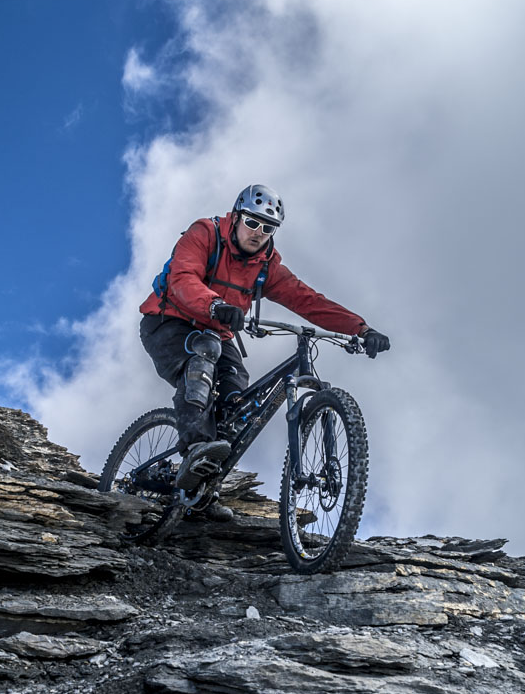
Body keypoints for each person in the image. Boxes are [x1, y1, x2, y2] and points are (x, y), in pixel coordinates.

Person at [139, 184, 389, 506]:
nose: (258, 233)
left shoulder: (267, 267)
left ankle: (202, 494)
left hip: (217, 333)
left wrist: (361, 328)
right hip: (168, 321)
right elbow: (182, 277)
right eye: (253, 222)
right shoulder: (205, 234)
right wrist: (215, 305)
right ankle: (195, 450)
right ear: (238, 217)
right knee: (203, 355)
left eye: (268, 228)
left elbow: (308, 300)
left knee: (237, 400)